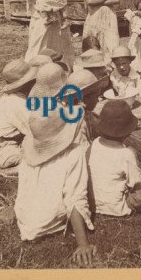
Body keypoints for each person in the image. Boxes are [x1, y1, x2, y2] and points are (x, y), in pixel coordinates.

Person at [14, 63, 96, 266]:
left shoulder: (29, 151)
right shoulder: (73, 154)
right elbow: (75, 197)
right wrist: (83, 243)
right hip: (46, 221)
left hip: (24, 218)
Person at [0, 59, 37, 169]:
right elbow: (35, 131)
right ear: (27, 84)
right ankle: (1, 174)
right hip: (2, 151)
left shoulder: (13, 98)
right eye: (33, 81)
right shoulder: (16, 103)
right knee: (39, 161)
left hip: (2, 147)